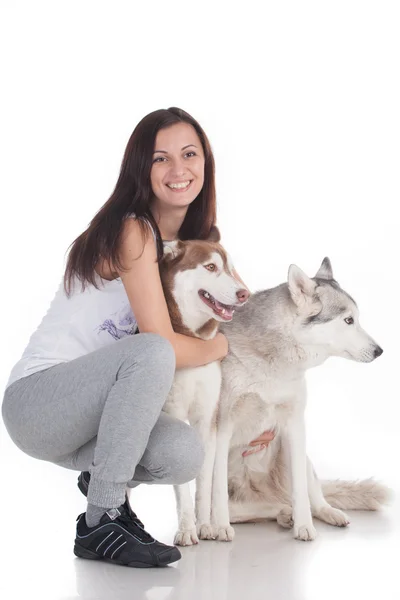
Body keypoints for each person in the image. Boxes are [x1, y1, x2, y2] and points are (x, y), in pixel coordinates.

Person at [2, 107, 274, 569]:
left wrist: (262, 402)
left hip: (98, 418)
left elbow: (237, 305)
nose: (178, 170)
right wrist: (218, 348)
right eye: (160, 159)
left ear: (206, 164)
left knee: (183, 453)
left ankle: (102, 484)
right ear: (140, 171)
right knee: (154, 350)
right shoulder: (134, 230)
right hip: (39, 403)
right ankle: (101, 519)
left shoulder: (196, 247)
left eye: (189, 155)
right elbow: (165, 343)